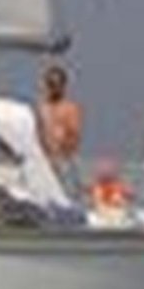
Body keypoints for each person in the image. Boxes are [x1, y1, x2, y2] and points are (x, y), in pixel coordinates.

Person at [36, 64, 83, 194]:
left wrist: (63, 153)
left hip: (63, 161)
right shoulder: (41, 108)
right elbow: (38, 132)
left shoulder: (70, 108)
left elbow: (74, 134)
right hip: (44, 161)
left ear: (63, 86)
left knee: (67, 194)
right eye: (50, 83)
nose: (54, 87)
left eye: (57, 84)